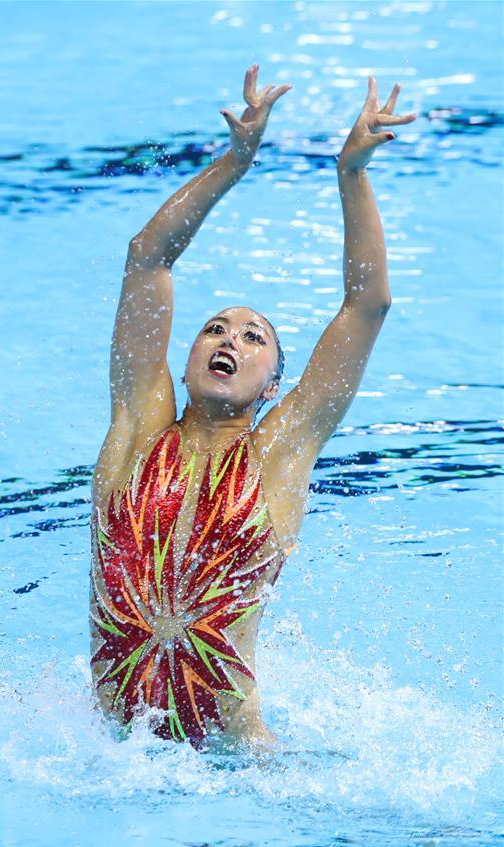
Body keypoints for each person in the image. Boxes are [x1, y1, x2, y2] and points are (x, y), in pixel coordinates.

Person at [90, 65, 416, 748]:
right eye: (215, 327)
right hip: (108, 758)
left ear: (271, 385)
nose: (228, 340)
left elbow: (368, 305)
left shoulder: (276, 453)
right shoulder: (135, 432)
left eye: (251, 336)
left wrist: (351, 174)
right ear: (185, 360)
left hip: (235, 776)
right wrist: (233, 162)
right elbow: (146, 258)